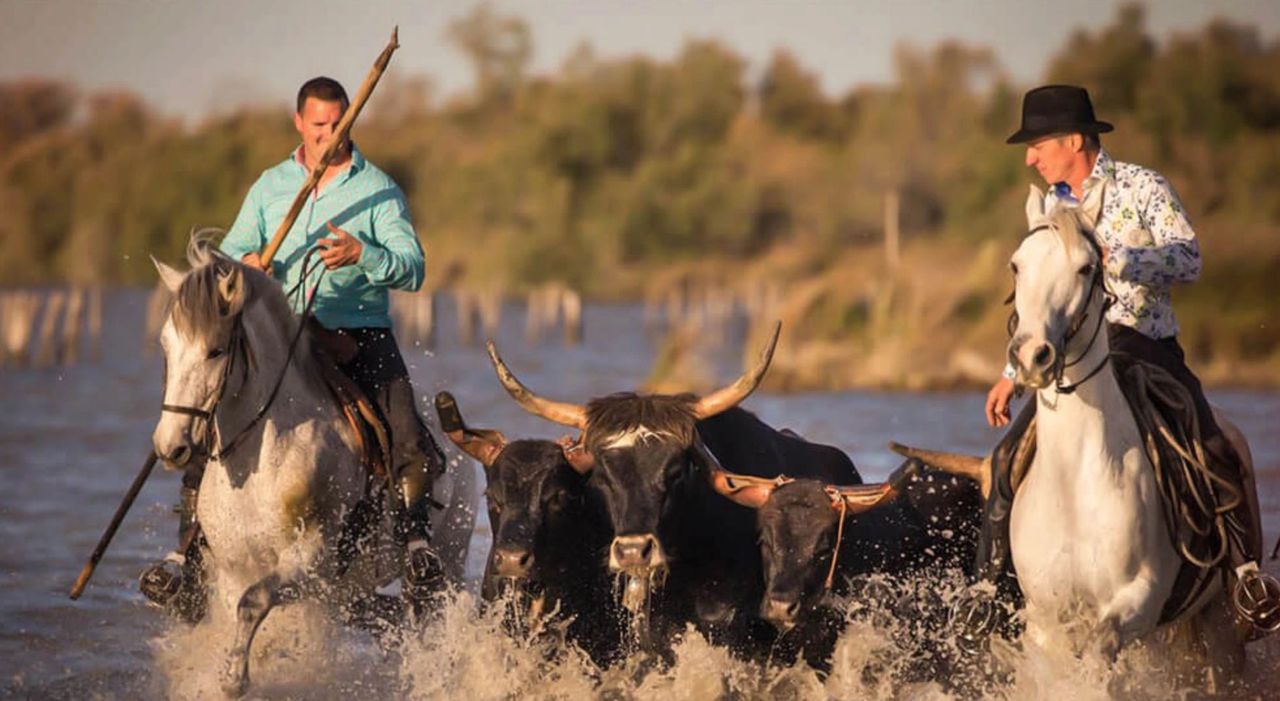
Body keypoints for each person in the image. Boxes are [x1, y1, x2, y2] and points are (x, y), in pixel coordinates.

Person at [140, 77, 447, 618]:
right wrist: (242, 264)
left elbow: (414, 269)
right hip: (278, 333)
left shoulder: (377, 189)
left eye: (338, 124)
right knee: (208, 418)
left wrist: (364, 253)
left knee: (409, 434)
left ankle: (417, 544)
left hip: (356, 333)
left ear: (349, 122)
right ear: (299, 123)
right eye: (319, 125)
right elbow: (225, 258)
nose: (329, 135)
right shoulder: (271, 186)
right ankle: (185, 554)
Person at [974, 84, 1271, 630]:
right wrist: (1012, 373)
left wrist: (1123, 259)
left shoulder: (1143, 187)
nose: (1029, 158)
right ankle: (988, 590)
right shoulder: (1048, 211)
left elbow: (1190, 260)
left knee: (1216, 444)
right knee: (1003, 459)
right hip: (1071, 361)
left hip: (1145, 347)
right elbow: (1040, 305)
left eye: (1038, 144)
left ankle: (1245, 576)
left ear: (1073, 140)